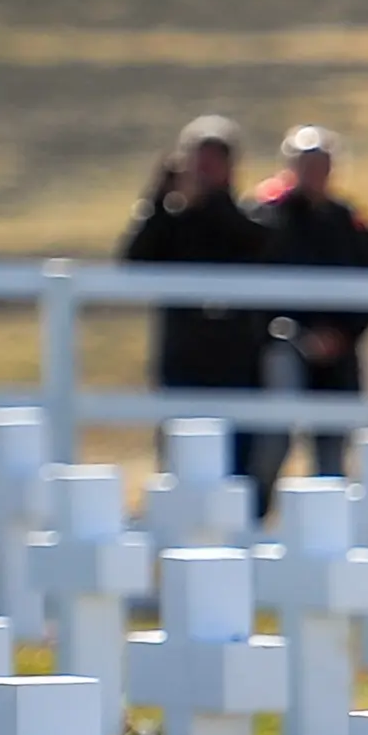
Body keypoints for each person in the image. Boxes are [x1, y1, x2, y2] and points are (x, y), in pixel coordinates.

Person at [119, 114, 270, 480]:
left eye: (214, 163)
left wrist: (212, 200)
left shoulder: (250, 218)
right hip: (182, 357)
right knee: (180, 463)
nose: (204, 172)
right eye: (198, 162)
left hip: (237, 360)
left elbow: (255, 246)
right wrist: (158, 198)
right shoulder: (170, 223)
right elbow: (133, 262)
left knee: (237, 468)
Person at [247, 126, 368, 514]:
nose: (314, 173)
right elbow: (254, 289)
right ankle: (255, 523)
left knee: (333, 448)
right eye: (305, 164)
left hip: (339, 356)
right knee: (272, 440)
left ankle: (330, 531)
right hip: (281, 346)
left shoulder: (351, 224)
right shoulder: (264, 219)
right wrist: (295, 332)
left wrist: (341, 335)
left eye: (321, 164)